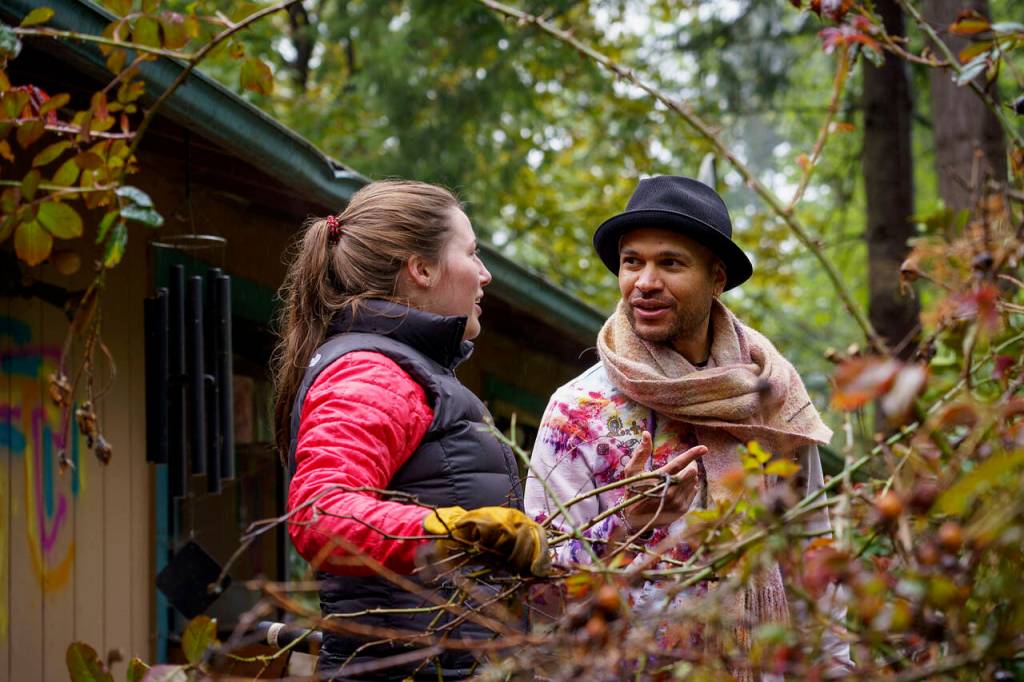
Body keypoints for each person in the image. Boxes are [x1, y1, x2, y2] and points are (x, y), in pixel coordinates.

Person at [524, 176, 853, 679]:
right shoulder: (578, 412)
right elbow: (543, 586)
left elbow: (813, 557)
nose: (645, 281)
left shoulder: (771, 398)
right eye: (632, 261)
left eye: (670, 263)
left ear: (716, 278)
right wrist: (629, 525)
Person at [274, 180, 548, 680]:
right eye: (471, 253)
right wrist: (452, 532)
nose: (485, 275)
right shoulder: (370, 372)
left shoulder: (411, 371)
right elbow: (320, 515)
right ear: (420, 268)